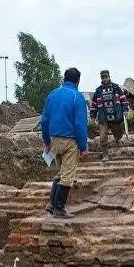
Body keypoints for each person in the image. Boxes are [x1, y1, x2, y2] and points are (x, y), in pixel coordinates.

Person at [40, 67, 89, 219]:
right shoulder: (77, 97)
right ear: (78, 81)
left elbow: (44, 120)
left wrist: (47, 140)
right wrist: (82, 146)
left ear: (64, 78)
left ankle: (51, 204)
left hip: (54, 139)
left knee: (60, 173)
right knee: (67, 175)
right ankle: (59, 208)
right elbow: (80, 124)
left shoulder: (52, 94)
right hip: (70, 140)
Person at [89, 70, 130, 161]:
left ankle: (117, 139)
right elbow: (94, 105)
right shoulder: (98, 91)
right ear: (101, 78)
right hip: (103, 118)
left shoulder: (116, 88)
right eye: (103, 77)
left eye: (106, 77)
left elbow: (123, 100)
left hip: (115, 116)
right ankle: (105, 154)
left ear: (109, 77)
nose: (104, 79)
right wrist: (92, 116)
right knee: (103, 137)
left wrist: (125, 110)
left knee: (118, 133)